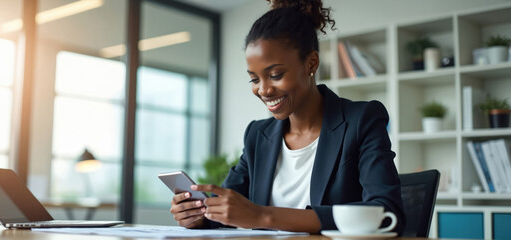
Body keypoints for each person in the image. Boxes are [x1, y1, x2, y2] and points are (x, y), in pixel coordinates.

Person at [170, 0, 405, 234]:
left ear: (311, 63)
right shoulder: (257, 135)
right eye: (254, 79)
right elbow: (227, 211)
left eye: (275, 74)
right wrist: (198, 216)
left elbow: (385, 212)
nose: (263, 90)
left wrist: (262, 215)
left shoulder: (361, 120)